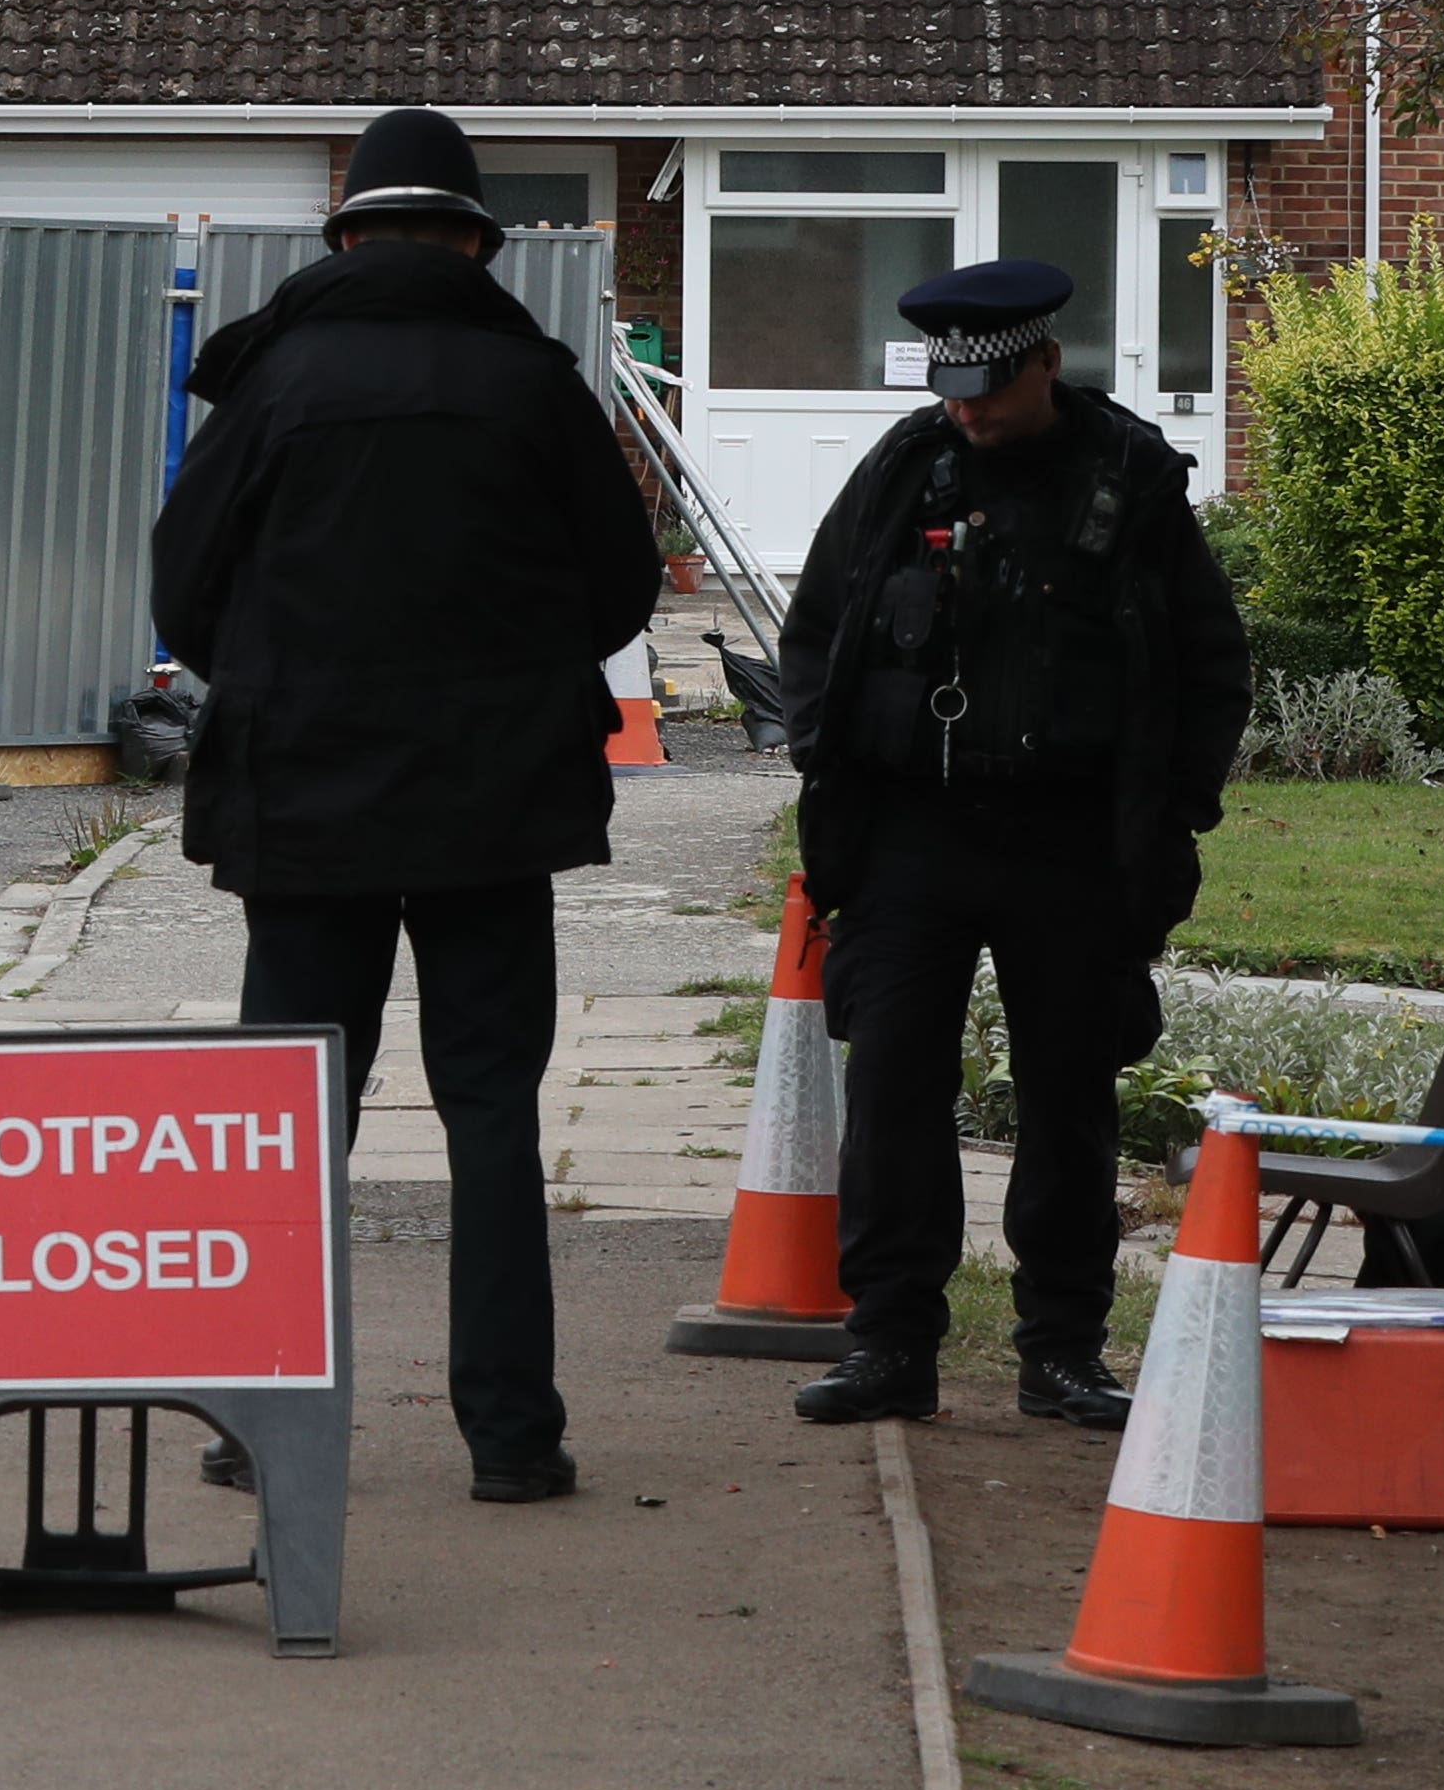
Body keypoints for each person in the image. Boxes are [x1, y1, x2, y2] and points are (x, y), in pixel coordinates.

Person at [153, 108, 663, 1501]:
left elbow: (182, 590)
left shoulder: (271, 383)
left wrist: (284, 677)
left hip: (305, 805)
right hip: (495, 809)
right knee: (491, 1112)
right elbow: (621, 585)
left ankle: (262, 1420)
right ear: (472, 240)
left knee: (292, 1115)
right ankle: (511, 1439)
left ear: (351, 236)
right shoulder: (533, 386)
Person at [773, 258, 1250, 1432]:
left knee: (1070, 1098)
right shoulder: (902, 471)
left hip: (1070, 842)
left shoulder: (1129, 478)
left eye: (988, 385)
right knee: (891, 1093)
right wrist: (819, 759)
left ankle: (1064, 1349)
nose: (967, 409)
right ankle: (890, 1342)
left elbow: (1209, 661)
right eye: (951, 386)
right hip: (910, 840)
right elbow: (819, 632)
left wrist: (1171, 808)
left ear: (1047, 361)